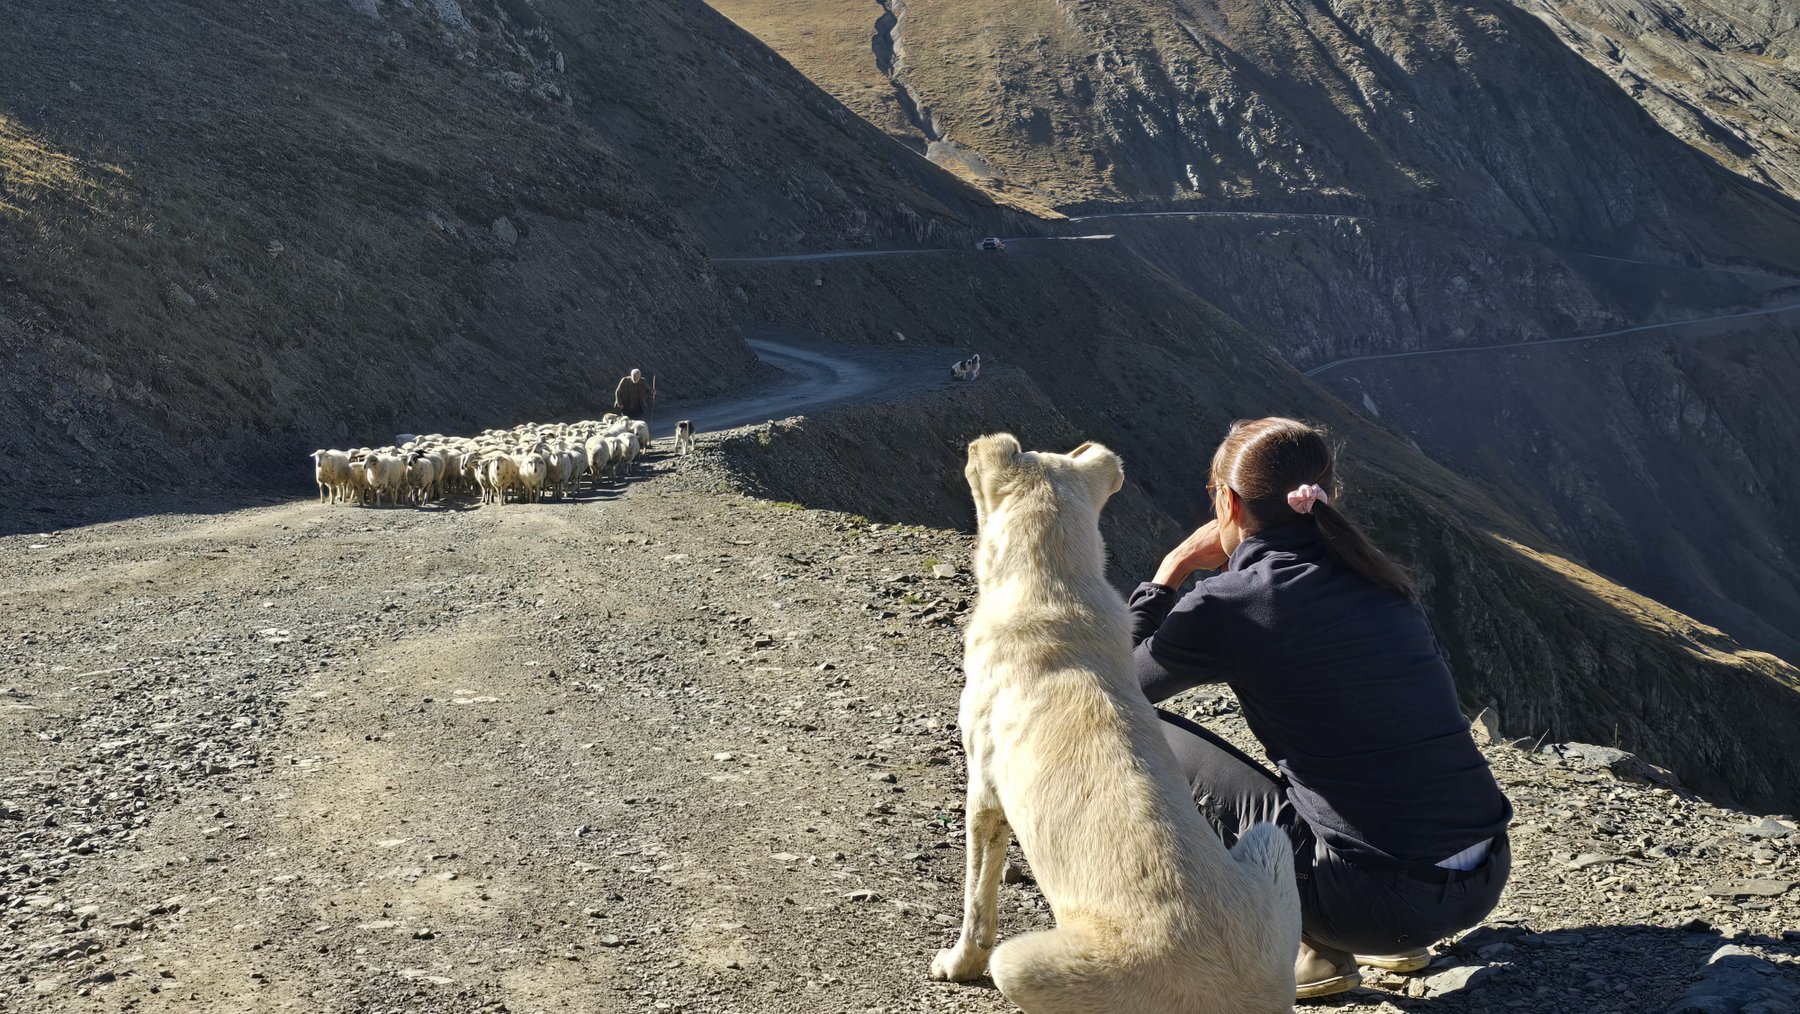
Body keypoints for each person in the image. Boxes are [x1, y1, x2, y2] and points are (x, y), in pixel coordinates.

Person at [1129, 417, 1512, 1001]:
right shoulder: (1377, 575)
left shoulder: (1231, 603)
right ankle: (1388, 940)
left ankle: (1306, 947)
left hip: (1370, 904)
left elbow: (1109, 685)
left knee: (1133, 730)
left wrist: (1172, 571)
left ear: (1226, 503)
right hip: (1483, 877)